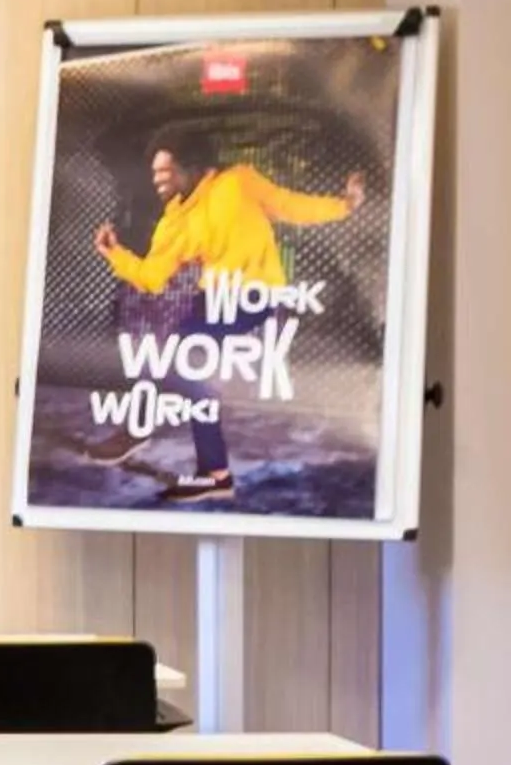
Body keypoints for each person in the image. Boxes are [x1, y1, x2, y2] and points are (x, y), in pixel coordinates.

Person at [90, 129, 367, 502]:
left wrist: (344, 205)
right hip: (212, 298)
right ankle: (141, 431)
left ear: (191, 167)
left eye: (166, 171)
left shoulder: (238, 182)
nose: (158, 180)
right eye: (154, 173)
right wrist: (115, 254)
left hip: (254, 294)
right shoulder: (174, 221)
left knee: (184, 358)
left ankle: (214, 474)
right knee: (162, 353)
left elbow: (290, 205)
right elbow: (152, 277)